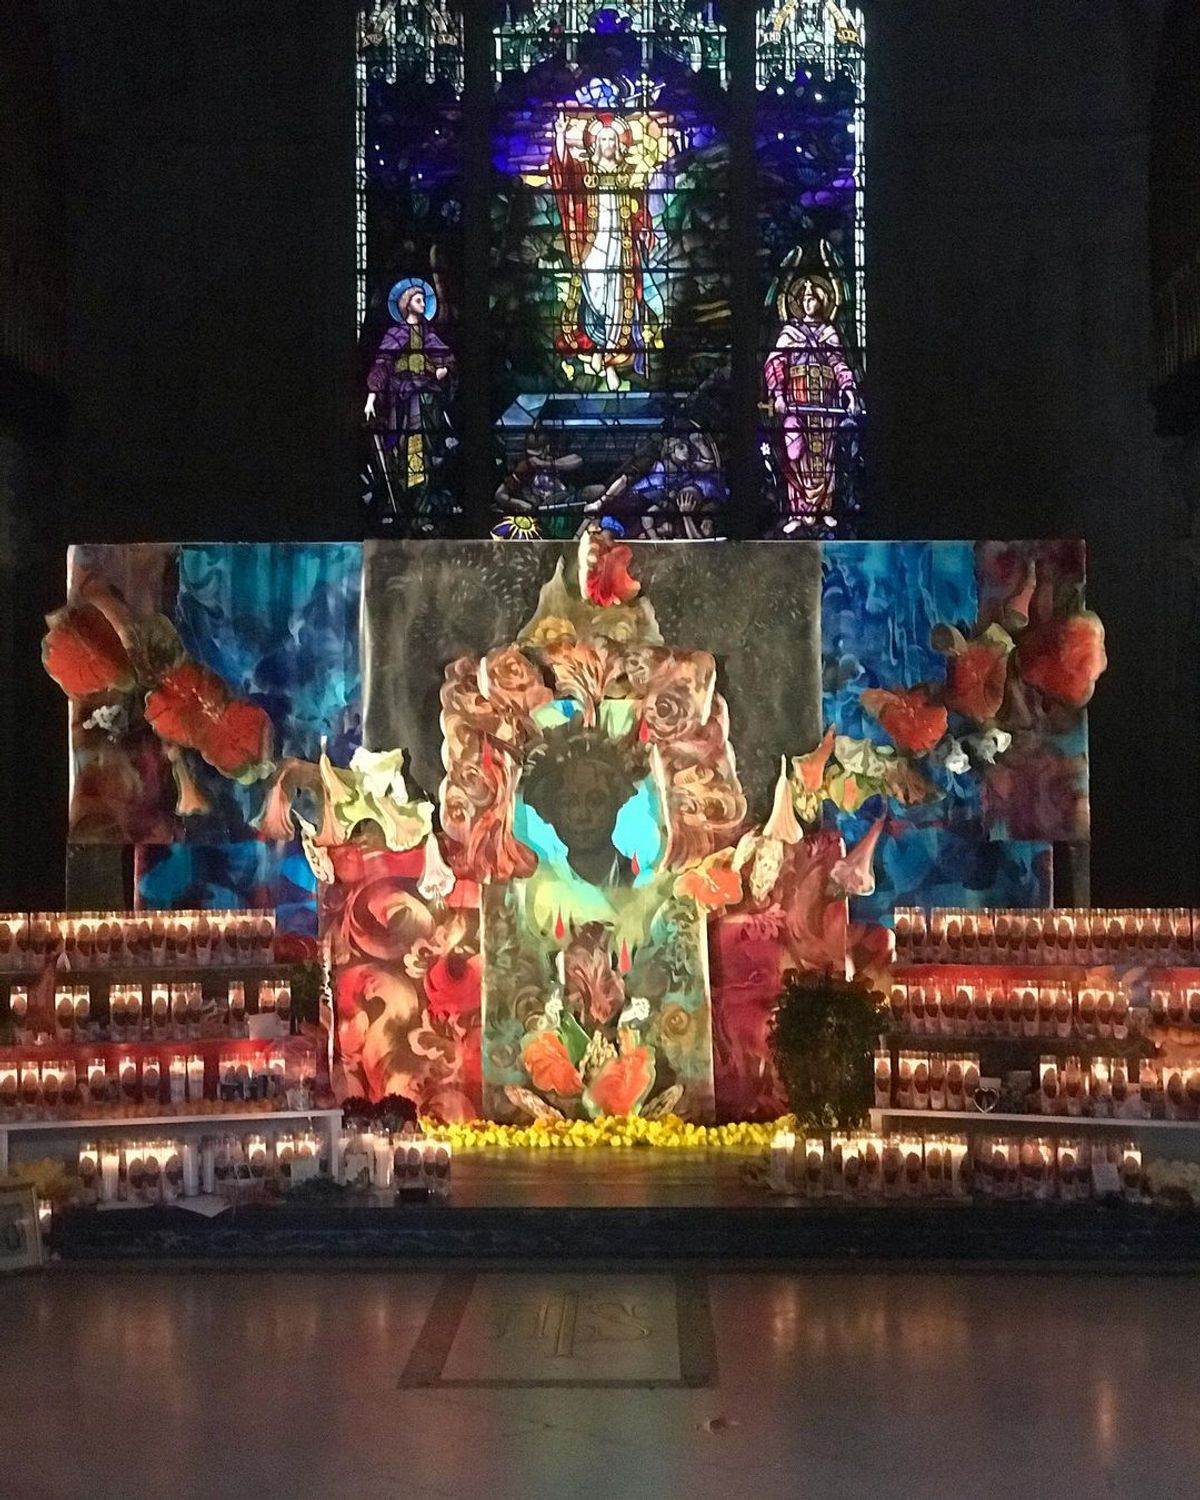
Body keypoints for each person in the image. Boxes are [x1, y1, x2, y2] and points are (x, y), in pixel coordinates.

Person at [549, 112, 666, 390]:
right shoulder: (585, 173)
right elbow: (563, 177)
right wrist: (560, 139)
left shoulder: (629, 175)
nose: (608, 143)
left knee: (620, 297)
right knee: (597, 294)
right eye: (603, 138)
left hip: (622, 249)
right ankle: (602, 355)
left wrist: (645, 228)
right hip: (593, 248)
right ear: (595, 144)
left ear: (619, 143)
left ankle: (610, 358)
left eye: (612, 138)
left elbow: (640, 210)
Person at [763, 274, 861, 530]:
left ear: (823, 302)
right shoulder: (789, 333)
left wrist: (849, 392)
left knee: (825, 455)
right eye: (805, 298)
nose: (810, 303)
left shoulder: (829, 332)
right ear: (798, 302)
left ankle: (823, 509)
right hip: (798, 402)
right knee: (797, 454)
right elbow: (776, 363)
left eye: (815, 298)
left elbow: (839, 365)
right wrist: (779, 395)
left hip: (825, 403)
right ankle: (798, 513)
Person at [364, 278, 455, 503]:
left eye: (424, 300)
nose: (423, 304)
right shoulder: (395, 334)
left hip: (428, 399)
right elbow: (382, 364)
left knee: (428, 448)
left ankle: (423, 501)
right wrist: (371, 396)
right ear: (407, 305)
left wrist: (444, 370)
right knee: (406, 447)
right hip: (403, 399)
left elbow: (446, 358)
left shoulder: (428, 334)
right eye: (418, 300)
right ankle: (408, 500)